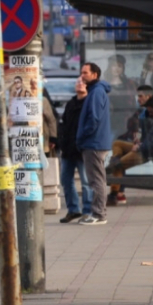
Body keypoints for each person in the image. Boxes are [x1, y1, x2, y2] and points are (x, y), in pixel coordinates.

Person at [77, 62, 113, 225]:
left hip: (94, 143)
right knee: (97, 179)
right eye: (82, 72)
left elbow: (94, 119)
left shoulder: (97, 92)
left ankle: (99, 214)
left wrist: (83, 136)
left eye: (85, 73)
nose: (82, 76)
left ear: (95, 75)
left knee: (96, 180)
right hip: (95, 142)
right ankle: (98, 212)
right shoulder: (95, 91)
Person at [106, 84, 153, 205]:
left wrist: (140, 144)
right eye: (138, 96)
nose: (138, 99)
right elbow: (133, 129)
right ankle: (115, 161)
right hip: (138, 144)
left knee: (118, 165)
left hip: (146, 149)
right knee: (117, 144)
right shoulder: (140, 111)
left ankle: (115, 194)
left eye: (141, 96)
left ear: (149, 96)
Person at [58, 77, 92, 223]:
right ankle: (73, 210)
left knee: (86, 182)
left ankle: (88, 211)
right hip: (68, 149)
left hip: (82, 149)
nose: (79, 84)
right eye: (77, 82)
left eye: (83, 82)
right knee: (66, 180)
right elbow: (64, 124)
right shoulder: (71, 103)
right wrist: (61, 142)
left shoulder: (89, 102)